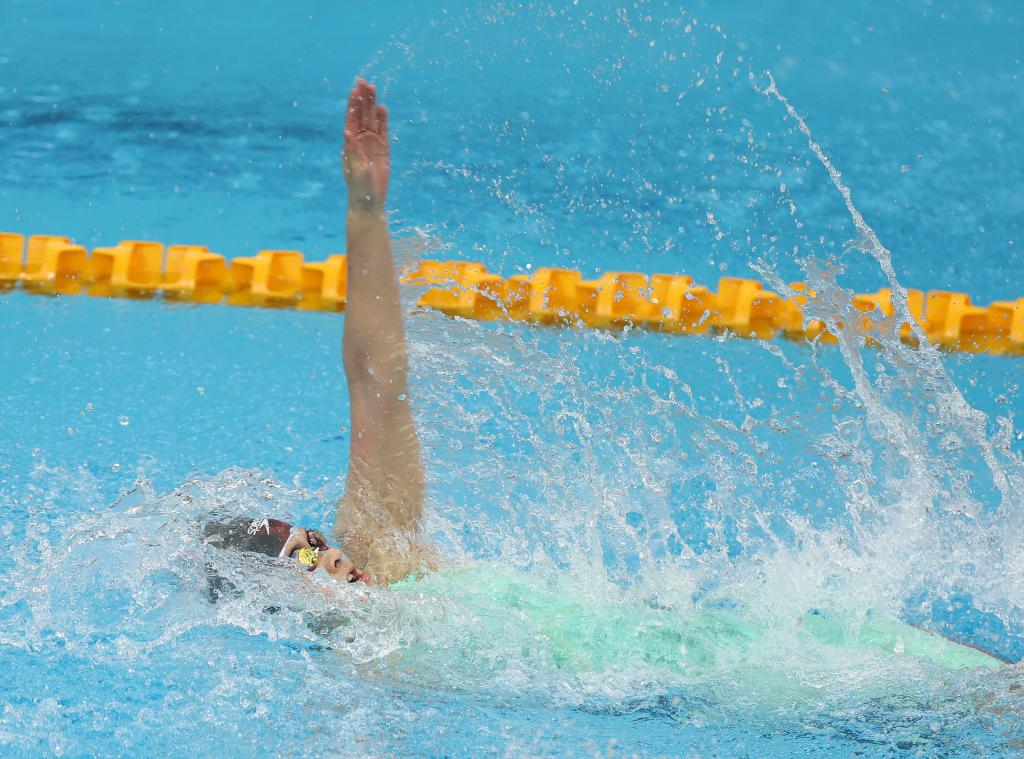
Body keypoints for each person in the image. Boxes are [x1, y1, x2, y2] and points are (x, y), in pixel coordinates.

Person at [204, 78, 433, 587]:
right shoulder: (364, 634)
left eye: (314, 541)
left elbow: (376, 380)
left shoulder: (381, 559)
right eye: (303, 558)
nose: (328, 556)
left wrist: (365, 213)